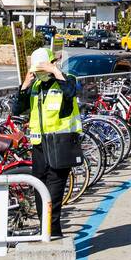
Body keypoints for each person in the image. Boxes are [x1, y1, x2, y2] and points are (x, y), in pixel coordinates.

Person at [15, 46, 83, 240]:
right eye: (38, 71)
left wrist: (55, 71)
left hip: (60, 145)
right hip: (39, 147)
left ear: (52, 64)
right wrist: (24, 86)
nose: (41, 74)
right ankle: (48, 231)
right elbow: (17, 109)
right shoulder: (35, 86)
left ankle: (52, 235)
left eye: (43, 70)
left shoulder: (66, 80)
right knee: (39, 190)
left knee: (53, 195)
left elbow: (70, 93)